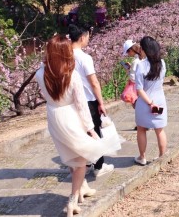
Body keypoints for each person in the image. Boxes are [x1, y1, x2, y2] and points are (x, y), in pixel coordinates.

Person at [35, 35, 120, 216]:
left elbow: (46, 96)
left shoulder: (40, 73)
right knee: (81, 162)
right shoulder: (71, 75)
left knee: (69, 155)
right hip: (71, 116)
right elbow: (81, 105)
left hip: (53, 115)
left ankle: (83, 188)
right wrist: (90, 128)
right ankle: (73, 200)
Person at [69, 25, 114, 178]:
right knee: (94, 132)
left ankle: (85, 163)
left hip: (71, 102)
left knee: (81, 133)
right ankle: (99, 166)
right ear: (82, 37)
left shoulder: (64, 55)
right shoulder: (84, 58)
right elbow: (94, 82)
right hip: (88, 101)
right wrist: (101, 102)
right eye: (88, 36)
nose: (88, 39)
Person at [134, 36, 168, 165]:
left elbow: (139, 89)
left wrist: (149, 103)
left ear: (144, 49)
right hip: (159, 100)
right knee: (160, 129)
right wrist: (153, 103)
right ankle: (162, 157)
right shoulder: (162, 63)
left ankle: (142, 157)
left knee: (141, 129)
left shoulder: (141, 65)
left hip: (145, 102)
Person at [122, 40, 145, 130]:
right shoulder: (142, 58)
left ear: (132, 49)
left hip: (136, 86)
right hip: (143, 84)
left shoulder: (136, 61)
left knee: (136, 105)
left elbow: (132, 77)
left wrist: (128, 70)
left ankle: (141, 124)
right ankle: (144, 123)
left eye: (128, 51)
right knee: (142, 104)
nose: (128, 54)